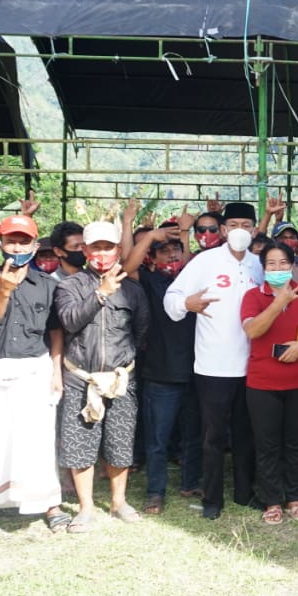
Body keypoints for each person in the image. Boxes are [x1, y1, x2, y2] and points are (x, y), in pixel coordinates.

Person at [0, 214, 69, 544]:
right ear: (0, 243)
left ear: (35, 246)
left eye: (24, 241)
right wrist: (4, 291)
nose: (17, 247)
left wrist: (56, 371)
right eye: (11, 240)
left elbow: (55, 332)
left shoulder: (49, 286)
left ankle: (50, 506)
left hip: (34, 369)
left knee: (37, 441)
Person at [164, 203, 263, 519]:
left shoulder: (260, 265)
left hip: (253, 365)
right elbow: (171, 298)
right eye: (232, 224)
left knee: (246, 434)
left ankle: (245, 493)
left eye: (246, 225)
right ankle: (212, 499)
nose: (239, 230)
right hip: (213, 365)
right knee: (213, 437)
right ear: (222, 230)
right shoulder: (205, 262)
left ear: (254, 229)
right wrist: (186, 303)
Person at [54, 221, 149, 533]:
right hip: (82, 378)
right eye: (96, 247)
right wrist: (100, 294)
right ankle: (86, 507)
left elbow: (141, 332)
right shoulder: (70, 285)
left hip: (121, 379)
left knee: (120, 442)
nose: (102, 253)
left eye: (108, 247)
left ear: (118, 250)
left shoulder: (133, 290)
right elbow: (68, 322)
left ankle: (119, 502)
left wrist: (125, 364)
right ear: (84, 250)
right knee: (81, 442)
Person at [242, 243, 298, 525]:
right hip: (262, 383)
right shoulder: (253, 296)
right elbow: (253, 329)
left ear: (292, 265)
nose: (278, 269)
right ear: (263, 268)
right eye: (271, 264)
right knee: (267, 444)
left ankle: (294, 497)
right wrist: (278, 302)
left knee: (296, 443)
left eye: (283, 263)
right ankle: (272, 500)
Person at [122, 221, 202, 515]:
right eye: (163, 252)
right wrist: (145, 234)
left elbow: (191, 258)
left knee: (194, 435)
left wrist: (185, 234)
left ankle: (190, 482)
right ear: (151, 259)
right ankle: (155, 491)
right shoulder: (147, 280)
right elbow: (127, 265)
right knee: (158, 439)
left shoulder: (195, 281)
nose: (171, 256)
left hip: (197, 372)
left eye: (176, 250)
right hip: (160, 375)